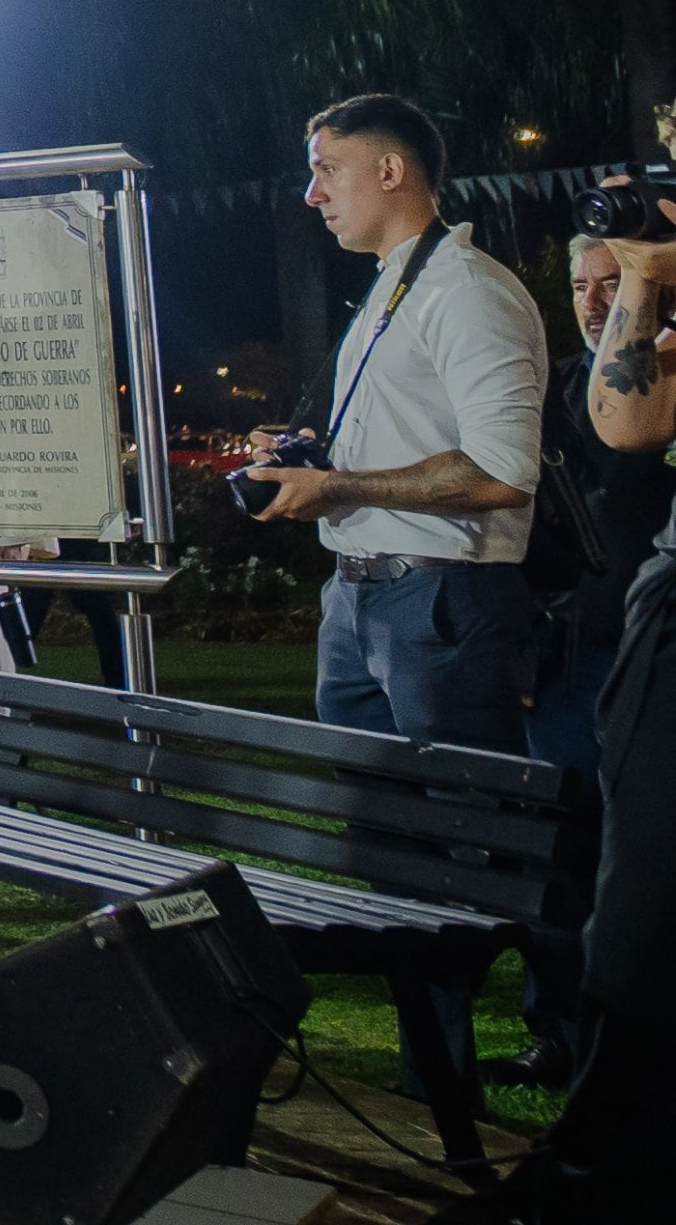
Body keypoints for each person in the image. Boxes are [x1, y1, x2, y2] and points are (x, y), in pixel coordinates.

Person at [438, 187, 676, 1224]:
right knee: (629, 898)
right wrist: (645, 274)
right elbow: (625, 426)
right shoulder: (635, 348)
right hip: (630, 627)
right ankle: (595, 1166)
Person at [240, 92, 543, 756]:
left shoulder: (464, 290)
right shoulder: (396, 284)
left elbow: (502, 473)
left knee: (470, 835)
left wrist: (338, 487)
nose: (311, 194)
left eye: (327, 170)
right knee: (377, 832)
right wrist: (313, 456)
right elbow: (411, 434)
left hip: (442, 597)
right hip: (356, 594)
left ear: (389, 172)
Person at [497, 231, 676, 1090]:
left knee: (642, 849)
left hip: (654, 647)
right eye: (580, 284)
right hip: (574, 652)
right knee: (562, 847)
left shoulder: (659, 376)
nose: (595, 299)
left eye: (615, 279)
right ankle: (558, 1029)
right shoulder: (556, 387)